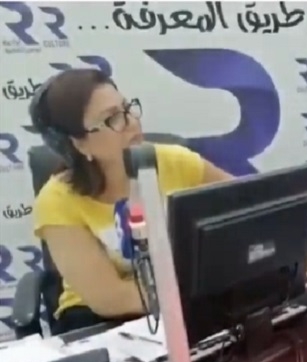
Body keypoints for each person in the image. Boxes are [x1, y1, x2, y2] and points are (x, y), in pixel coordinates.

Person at [30, 68, 233, 333]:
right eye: (113, 118)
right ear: (79, 144)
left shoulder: (173, 160)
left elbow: (253, 204)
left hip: (182, 301)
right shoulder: (56, 201)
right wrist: (197, 292)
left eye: (127, 108)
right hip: (98, 321)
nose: (131, 123)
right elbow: (110, 298)